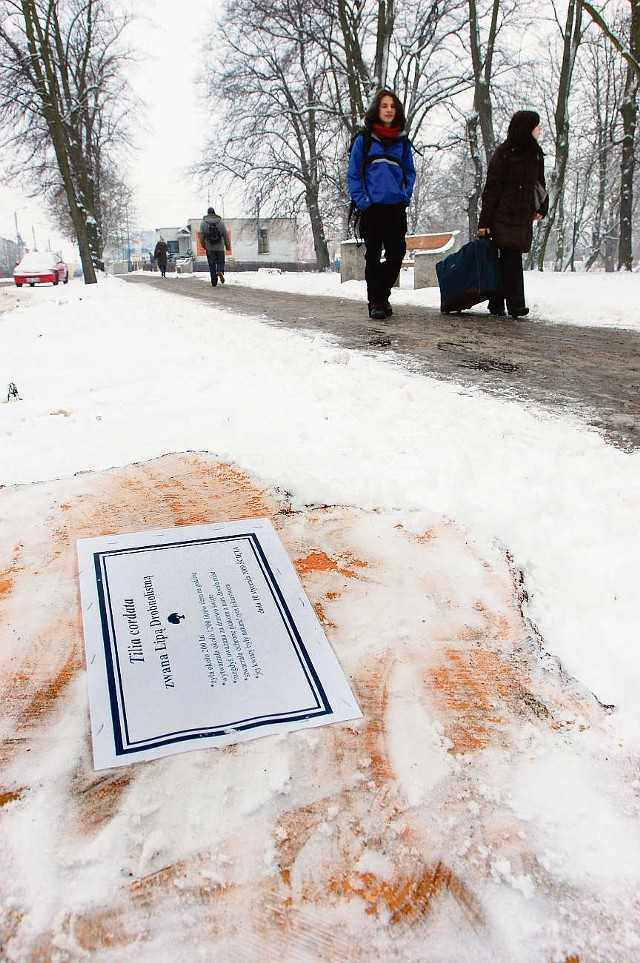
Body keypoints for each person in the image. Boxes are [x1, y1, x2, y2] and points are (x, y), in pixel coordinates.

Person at [347, 89, 416, 320]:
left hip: (396, 208)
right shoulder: (363, 141)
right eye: (384, 105)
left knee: (397, 254)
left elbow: (410, 172)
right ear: (377, 109)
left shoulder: (403, 142)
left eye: (392, 106)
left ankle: (382, 295)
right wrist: (364, 202)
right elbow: (353, 175)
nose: (388, 110)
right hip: (372, 209)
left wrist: (405, 196)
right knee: (373, 256)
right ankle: (375, 303)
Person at [477, 110, 548, 319]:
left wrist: (542, 208)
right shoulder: (505, 153)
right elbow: (492, 188)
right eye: (537, 125)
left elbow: (539, 185)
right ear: (527, 127)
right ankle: (516, 304)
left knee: (508, 258)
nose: (539, 129)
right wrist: (485, 222)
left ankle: (497, 301)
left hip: (522, 215)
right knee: (511, 257)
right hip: (502, 214)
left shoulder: (535, 154)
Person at [199, 206, 230, 286]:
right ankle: (220, 270)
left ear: (208, 213)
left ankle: (214, 281)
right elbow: (225, 235)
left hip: (209, 248)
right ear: (214, 212)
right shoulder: (220, 222)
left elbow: (201, 236)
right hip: (220, 247)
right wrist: (228, 246)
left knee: (211, 264)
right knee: (220, 261)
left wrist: (204, 245)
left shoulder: (203, 223)